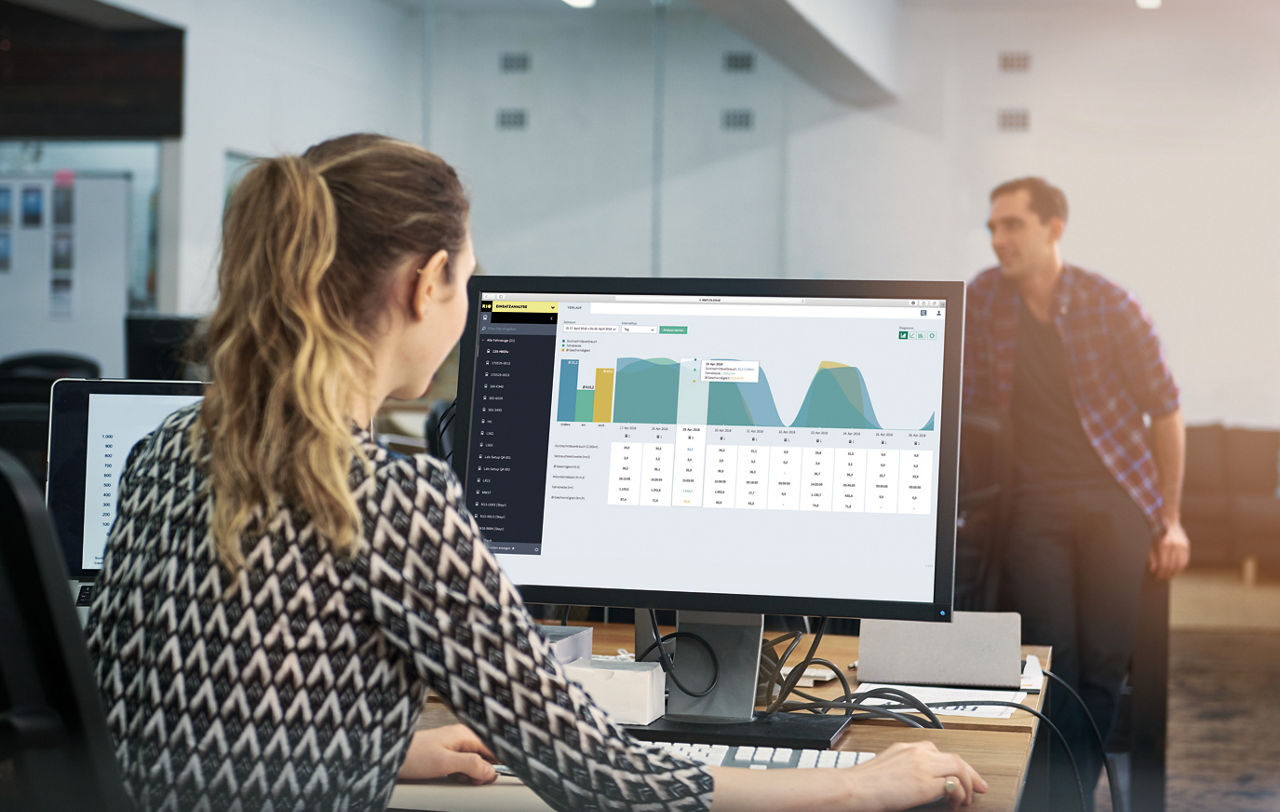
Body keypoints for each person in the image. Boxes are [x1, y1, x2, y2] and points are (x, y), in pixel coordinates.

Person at [85, 133, 986, 811]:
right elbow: (605, 778)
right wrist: (859, 786)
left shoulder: (166, 449)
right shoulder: (389, 501)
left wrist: (375, 744)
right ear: (426, 283)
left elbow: (172, 713)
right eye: (468, 280)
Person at [965, 177, 1189, 808]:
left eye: (1012, 225)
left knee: (1105, 663)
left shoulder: (1108, 303)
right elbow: (966, 397)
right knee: (1052, 664)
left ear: (1053, 228)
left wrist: (1170, 520)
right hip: (1033, 508)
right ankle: (1054, 801)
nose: (999, 239)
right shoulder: (986, 298)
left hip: (1115, 502)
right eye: (992, 227)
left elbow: (1166, 411)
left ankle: (1058, 798)